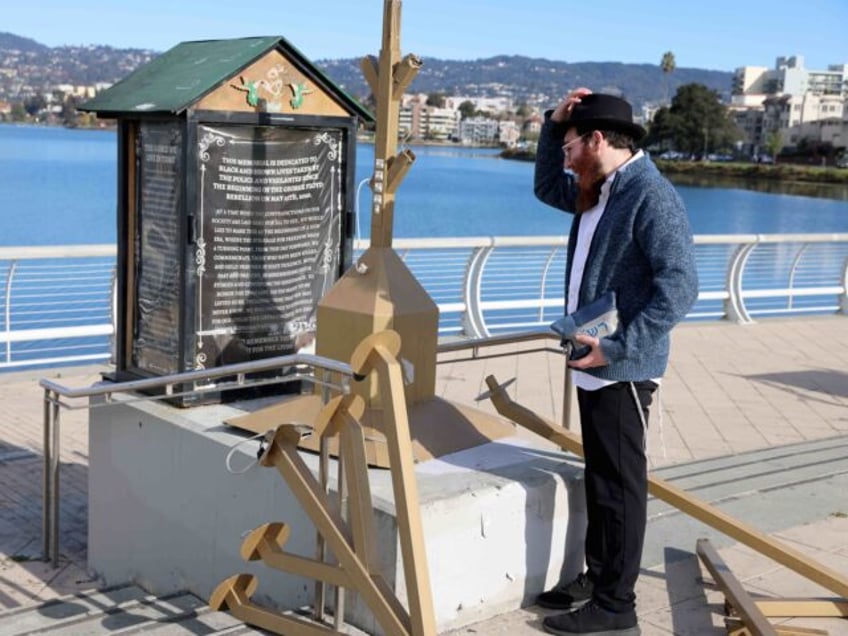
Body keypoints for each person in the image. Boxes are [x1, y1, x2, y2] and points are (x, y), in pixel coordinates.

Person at [533, 90, 698, 636]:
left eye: (572, 141)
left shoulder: (650, 195)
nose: (565, 150)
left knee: (621, 485)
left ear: (598, 140)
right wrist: (552, 125)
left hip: (621, 366)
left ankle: (616, 606)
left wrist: (620, 347)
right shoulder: (594, 190)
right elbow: (543, 186)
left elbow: (681, 287)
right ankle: (598, 578)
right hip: (593, 356)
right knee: (601, 478)